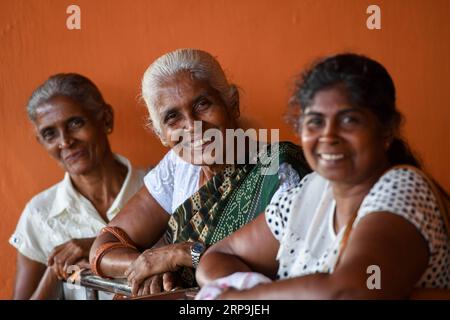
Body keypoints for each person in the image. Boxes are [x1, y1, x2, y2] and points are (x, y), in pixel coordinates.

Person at [195, 53, 450, 299]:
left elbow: (349, 293)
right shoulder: (308, 193)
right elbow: (216, 258)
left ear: (387, 130)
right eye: (315, 122)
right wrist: (254, 289)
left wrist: (242, 299)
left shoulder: (403, 189)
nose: (328, 136)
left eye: (349, 120)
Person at [89, 48, 310, 297]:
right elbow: (104, 247)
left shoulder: (277, 166)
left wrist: (184, 255)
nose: (193, 126)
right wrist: (152, 264)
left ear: (232, 103)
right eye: (172, 117)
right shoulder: (178, 165)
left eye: (202, 104)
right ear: (161, 134)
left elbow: (292, 264)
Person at [9, 73, 147, 299]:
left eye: (75, 123)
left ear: (106, 119)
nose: (65, 142)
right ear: (41, 142)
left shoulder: (158, 187)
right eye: (49, 133)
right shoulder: (40, 213)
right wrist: (57, 272)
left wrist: (97, 248)